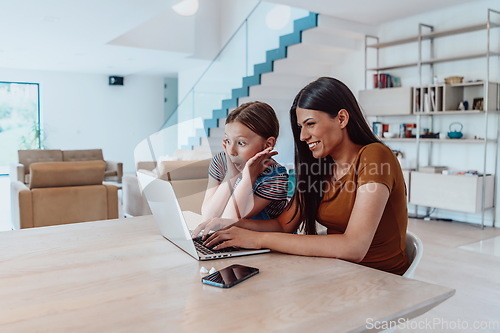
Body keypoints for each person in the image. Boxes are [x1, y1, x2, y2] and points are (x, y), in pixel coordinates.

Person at [199, 77, 410, 276]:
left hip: (378, 279)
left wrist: (257, 239)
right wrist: (227, 226)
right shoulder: (319, 168)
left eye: (310, 124)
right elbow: (283, 225)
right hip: (337, 272)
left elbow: (354, 247)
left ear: (342, 118)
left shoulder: (374, 156)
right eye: (300, 127)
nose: (302, 136)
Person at [195, 101, 289, 235]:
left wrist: (248, 178)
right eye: (228, 141)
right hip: (230, 239)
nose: (231, 151)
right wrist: (231, 175)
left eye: (241, 143)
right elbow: (208, 218)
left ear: (268, 144)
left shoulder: (275, 177)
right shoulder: (221, 161)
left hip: (265, 242)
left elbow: (229, 222)